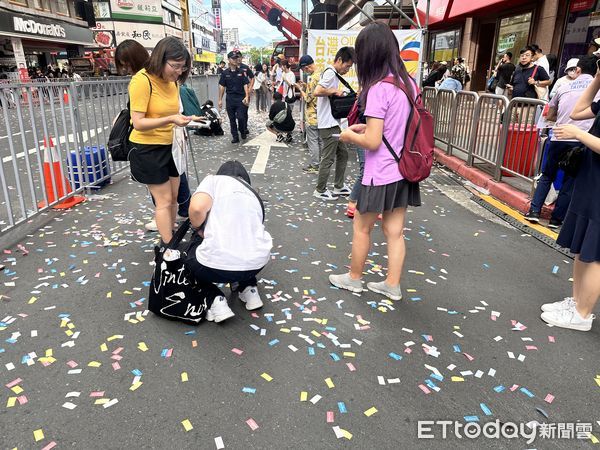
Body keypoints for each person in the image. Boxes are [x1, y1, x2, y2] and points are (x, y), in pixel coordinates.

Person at [328, 22, 420, 301]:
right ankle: (392, 285)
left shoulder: (379, 88)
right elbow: (394, 128)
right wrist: (363, 129)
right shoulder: (408, 84)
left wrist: (348, 135)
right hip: (403, 169)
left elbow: (374, 141)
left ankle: (354, 278)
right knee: (395, 231)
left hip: (379, 173)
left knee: (361, 227)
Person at [538, 66, 600, 332]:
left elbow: (578, 125)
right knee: (582, 244)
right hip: (591, 177)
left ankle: (583, 313)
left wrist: (578, 134)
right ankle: (576, 302)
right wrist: (597, 79)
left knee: (595, 251)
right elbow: (578, 111)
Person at [116, 39, 192, 233]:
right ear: (160, 59)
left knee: (173, 197)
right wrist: (171, 119)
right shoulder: (141, 80)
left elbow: (173, 112)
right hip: (148, 149)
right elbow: (139, 123)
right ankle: (167, 248)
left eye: (182, 67)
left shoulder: (173, 82)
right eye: (175, 66)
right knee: (164, 201)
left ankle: (171, 238)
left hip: (171, 145)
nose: (179, 71)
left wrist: (185, 120)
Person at [185, 160, 273, 323]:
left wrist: (198, 230)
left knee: (190, 254)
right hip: (256, 265)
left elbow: (197, 209)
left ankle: (214, 299)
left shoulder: (213, 181)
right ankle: (249, 288)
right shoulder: (253, 193)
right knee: (242, 239)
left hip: (213, 266)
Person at [525, 56, 599, 229]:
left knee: (547, 175)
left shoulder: (564, 86)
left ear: (577, 70)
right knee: (569, 180)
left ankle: (534, 211)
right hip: (582, 141)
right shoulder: (597, 91)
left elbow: (550, 113)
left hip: (559, 136)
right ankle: (556, 219)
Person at [313, 46, 355, 201]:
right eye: (347, 66)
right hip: (328, 124)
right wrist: (334, 91)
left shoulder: (333, 73)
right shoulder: (330, 73)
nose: (347, 69)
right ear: (339, 60)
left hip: (333, 123)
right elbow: (317, 91)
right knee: (328, 158)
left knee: (343, 154)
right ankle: (320, 189)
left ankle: (338, 186)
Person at [218, 51, 250, 143]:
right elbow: (222, 87)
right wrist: (220, 99)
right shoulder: (225, 73)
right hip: (230, 99)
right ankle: (235, 136)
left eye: (236, 58)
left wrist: (247, 96)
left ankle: (242, 130)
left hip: (240, 99)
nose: (236, 60)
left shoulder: (241, 72)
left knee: (241, 117)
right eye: (233, 58)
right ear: (229, 60)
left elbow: (245, 84)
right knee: (232, 119)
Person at [298, 55, 322, 173]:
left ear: (307, 67)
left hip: (313, 116)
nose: (305, 72)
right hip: (321, 114)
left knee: (313, 142)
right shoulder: (321, 74)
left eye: (304, 70)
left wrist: (301, 89)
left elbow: (308, 98)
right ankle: (321, 164)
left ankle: (315, 165)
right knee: (321, 141)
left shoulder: (313, 78)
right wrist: (306, 86)